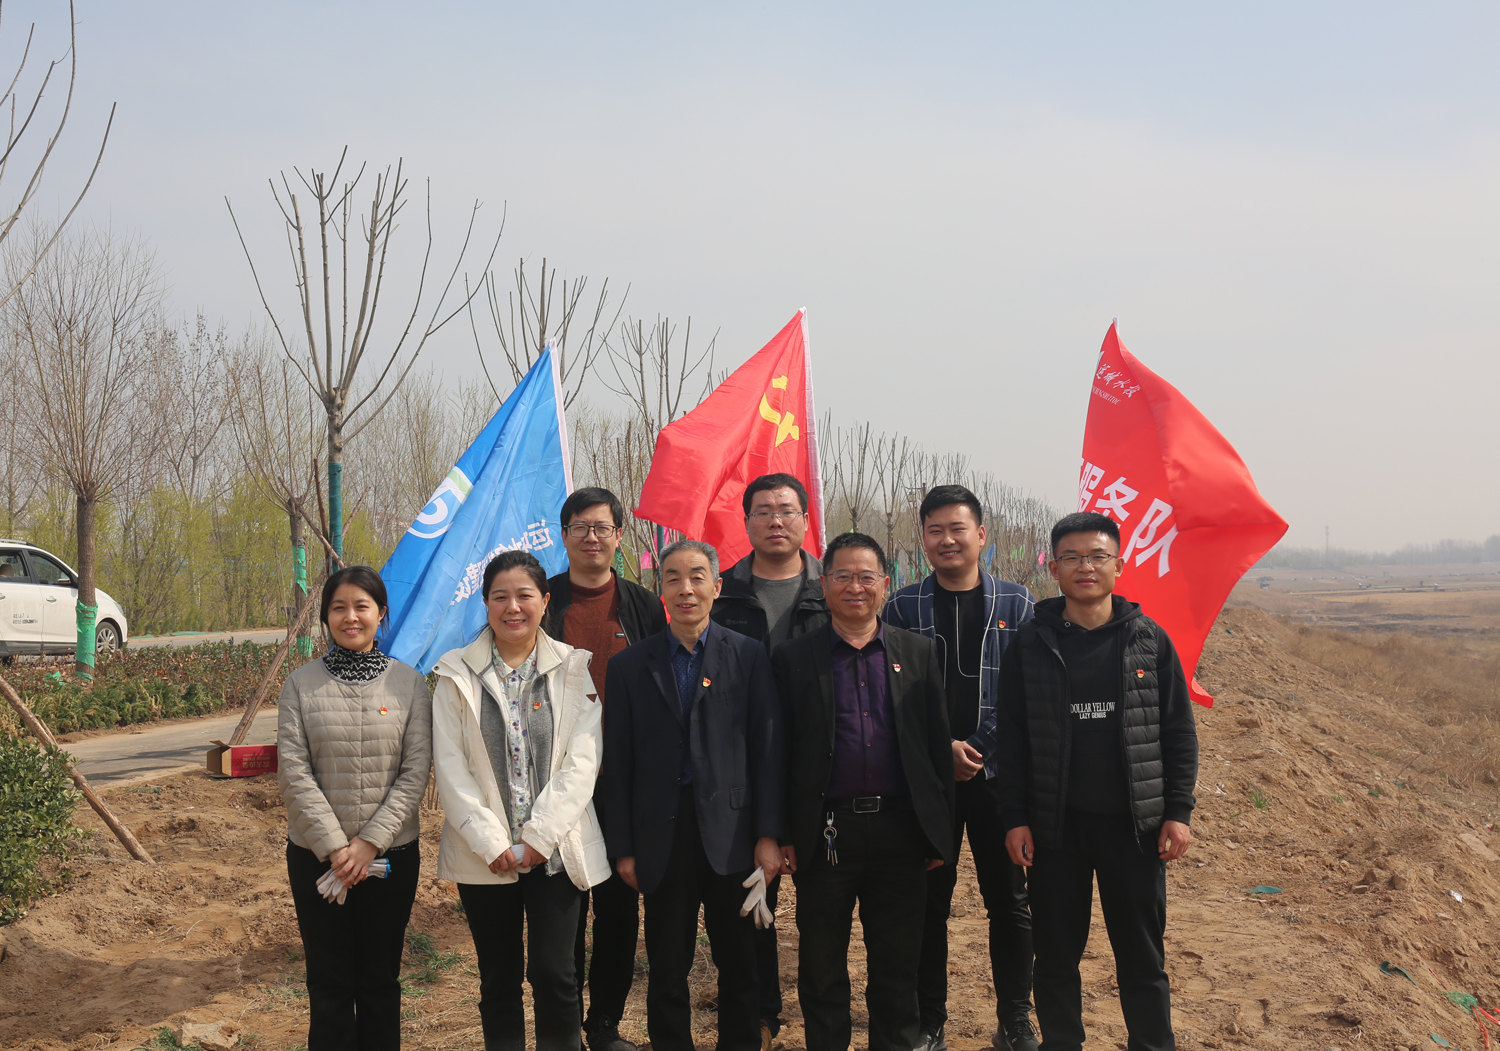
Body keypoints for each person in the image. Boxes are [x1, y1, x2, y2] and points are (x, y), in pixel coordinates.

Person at [997, 513, 1200, 1051]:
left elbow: (1178, 732)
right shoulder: (1029, 644)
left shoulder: (1148, 641)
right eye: (1072, 557)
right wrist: (1015, 817)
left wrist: (1178, 812)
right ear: (1053, 568)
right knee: (1055, 956)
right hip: (1055, 830)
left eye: (1097, 556)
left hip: (1134, 830)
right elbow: (1012, 739)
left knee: (1142, 956)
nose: (1085, 567)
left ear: (1119, 565)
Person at [772, 532, 955, 1051]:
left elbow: (936, 750)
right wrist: (783, 833)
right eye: (843, 576)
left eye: (866, 576)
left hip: (901, 831)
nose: (856, 587)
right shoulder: (793, 658)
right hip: (827, 832)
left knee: (897, 966)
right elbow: (778, 753)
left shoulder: (916, 652)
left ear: (885, 583)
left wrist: (937, 832)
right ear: (824, 584)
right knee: (821, 964)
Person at [600, 540, 785, 1051]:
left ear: (716, 587)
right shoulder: (630, 666)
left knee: (740, 963)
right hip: (663, 835)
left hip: (734, 834)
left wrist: (769, 835)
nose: (686, 589)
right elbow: (618, 764)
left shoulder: (747, 655)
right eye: (674, 578)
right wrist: (624, 848)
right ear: (660, 588)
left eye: (698, 577)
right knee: (667, 966)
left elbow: (767, 752)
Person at [432, 550, 611, 1051]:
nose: (513, 607)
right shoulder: (455, 674)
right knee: (498, 978)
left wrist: (539, 836)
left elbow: (582, 761)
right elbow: (450, 767)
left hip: (556, 849)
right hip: (483, 854)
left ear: (545, 601)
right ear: (486, 603)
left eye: (524, 595)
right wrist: (490, 841)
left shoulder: (573, 668)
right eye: (500, 597)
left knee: (556, 974)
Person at [883, 485, 1039, 1051]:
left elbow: (1026, 694)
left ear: (981, 535)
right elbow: (892, 694)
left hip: (1000, 781)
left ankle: (1015, 1019)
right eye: (935, 530)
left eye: (958, 528)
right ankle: (930, 1020)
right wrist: (940, 748)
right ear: (922, 538)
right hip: (928, 780)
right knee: (929, 902)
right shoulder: (902, 607)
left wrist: (976, 748)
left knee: (1010, 902)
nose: (947, 540)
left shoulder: (1018, 605)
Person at [278, 565, 433, 1051]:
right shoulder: (299, 685)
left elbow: (415, 772)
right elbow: (294, 772)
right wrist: (336, 849)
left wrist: (368, 844)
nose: (351, 617)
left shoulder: (409, 684)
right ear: (326, 616)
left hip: (389, 858)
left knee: (379, 980)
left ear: (381, 614)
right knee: (328, 982)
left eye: (362, 606)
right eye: (339, 607)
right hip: (316, 858)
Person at [542, 486, 667, 1051]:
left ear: (619, 536)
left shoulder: (643, 606)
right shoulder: (543, 600)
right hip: (556, 778)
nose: (591, 537)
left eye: (602, 528)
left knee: (618, 908)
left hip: (624, 781)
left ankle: (605, 1025)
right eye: (580, 527)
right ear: (564, 535)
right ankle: (564, 1026)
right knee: (564, 908)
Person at [709, 471, 829, 1047]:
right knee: (752, 898)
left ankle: (823, 1013)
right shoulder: (722, 592)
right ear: (747, 521)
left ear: (805, 520)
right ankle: (760, 1011)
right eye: (763, 511)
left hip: (821, 767)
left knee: (823, 906)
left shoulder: (832, 588)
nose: (775, 520)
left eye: (786, 510)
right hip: (744, 768)